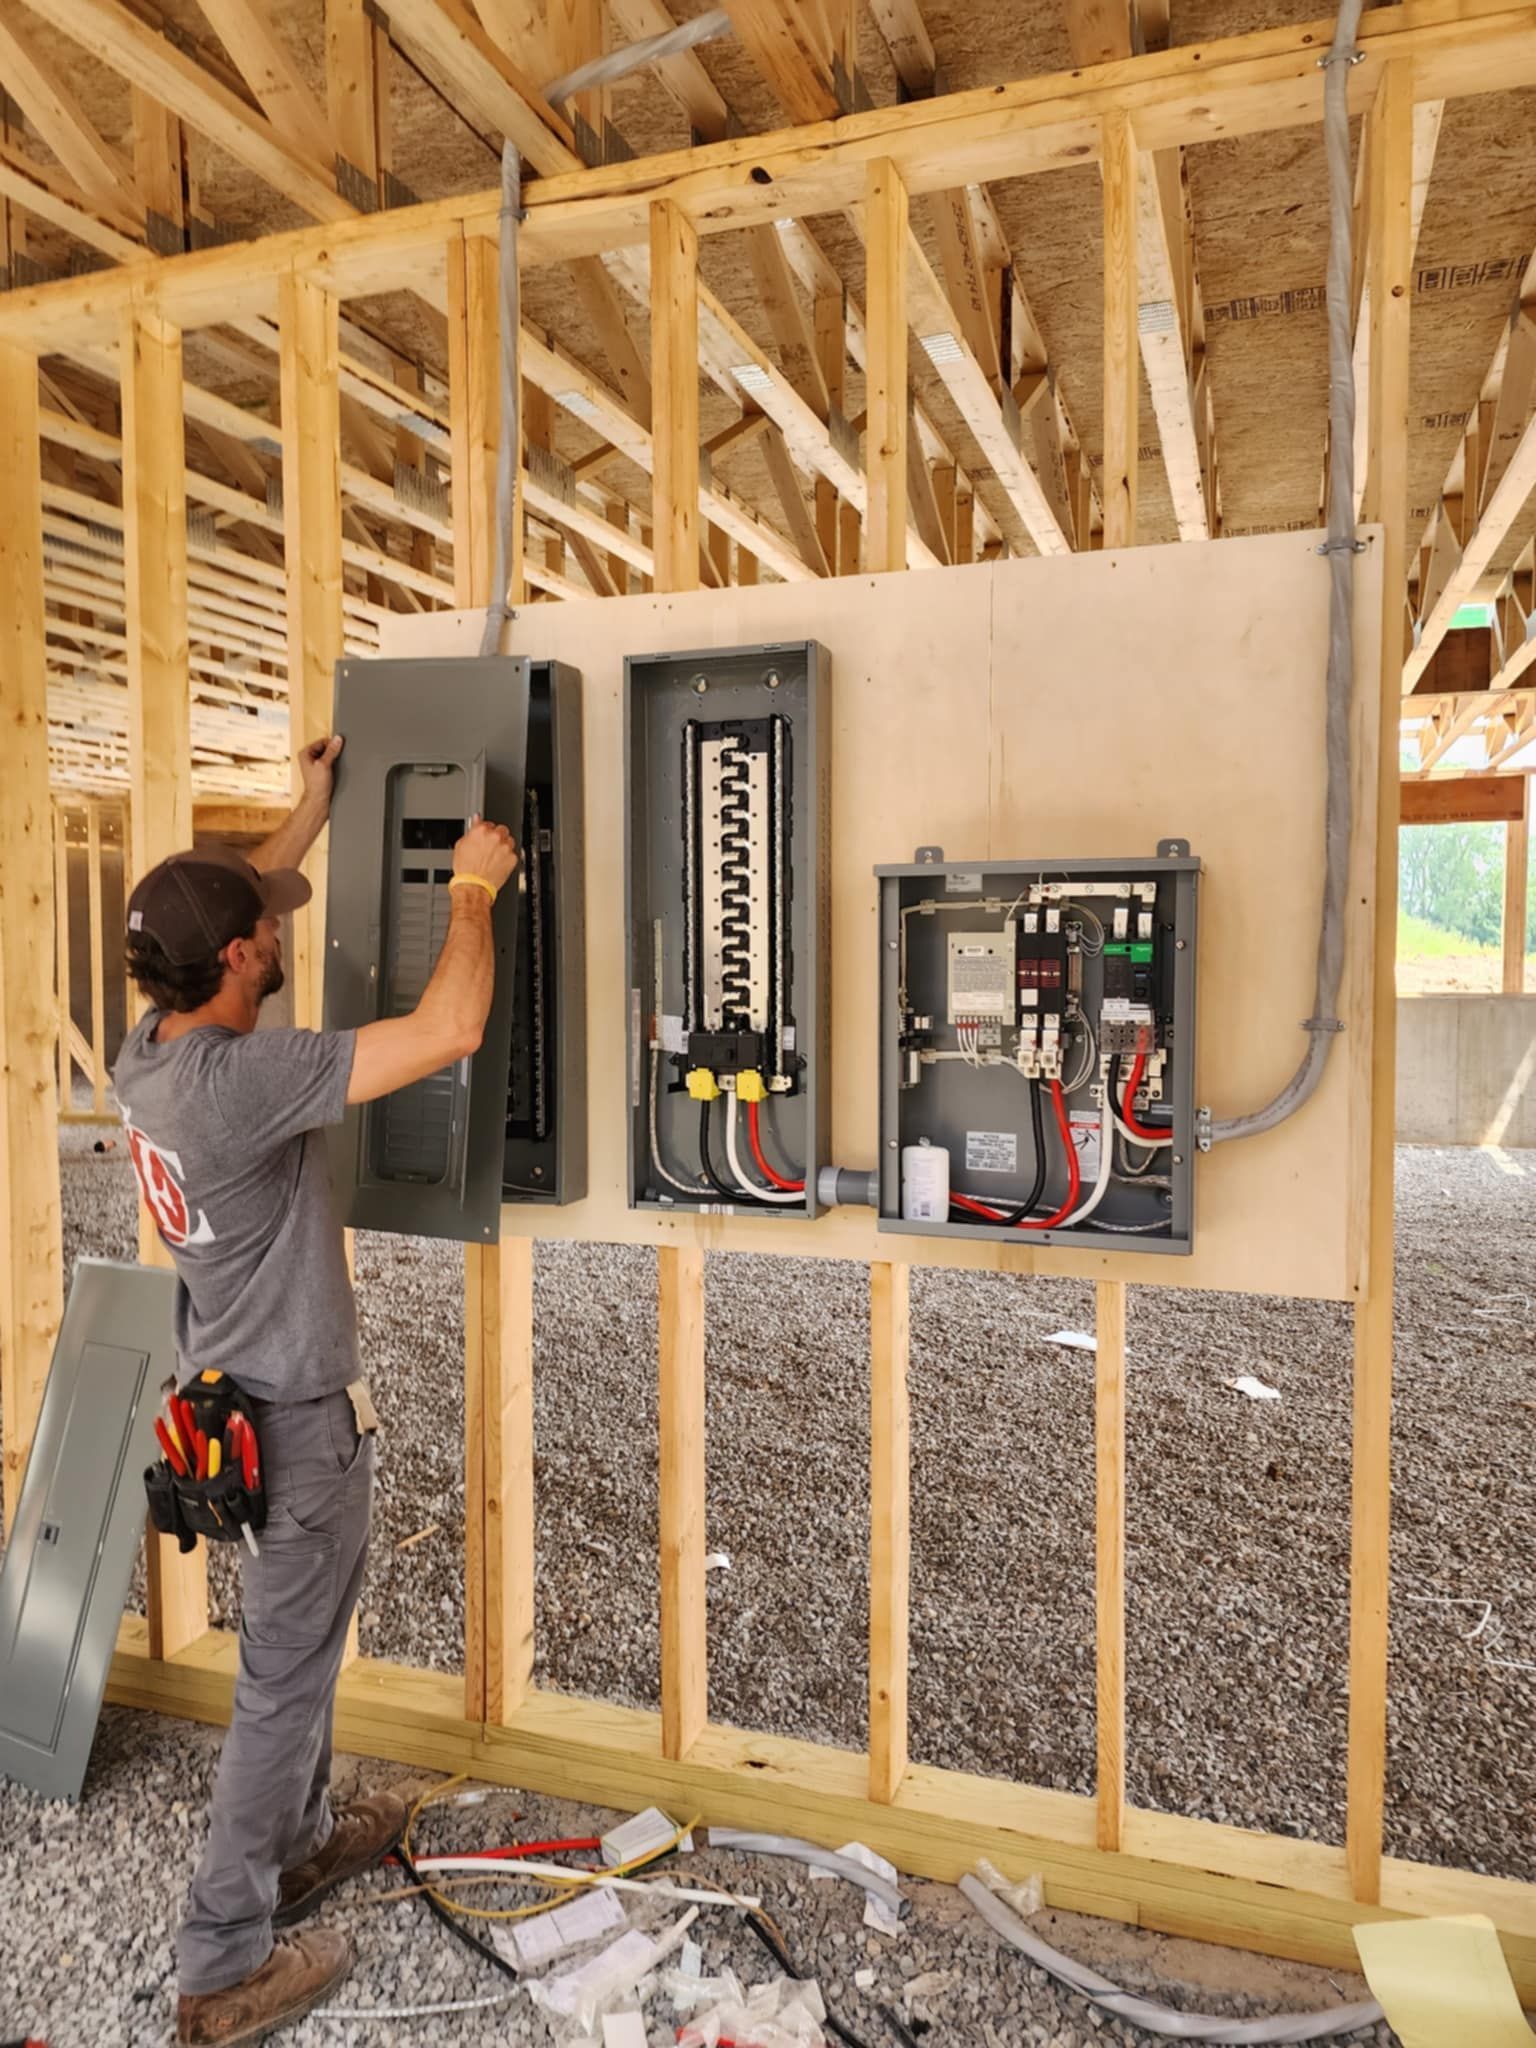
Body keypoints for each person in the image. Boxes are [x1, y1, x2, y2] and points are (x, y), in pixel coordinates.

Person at [112, 735, 519, 2047]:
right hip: (291, 1424)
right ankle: (220, 1966)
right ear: (235, 962)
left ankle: (295, 1848)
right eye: (264, 932)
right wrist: (472, 890)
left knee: (298, 1659)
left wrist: (306, 815)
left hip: (234, 1406)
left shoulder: (155, 1052)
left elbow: (232, 906)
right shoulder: (248, 1087)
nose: (281, 934)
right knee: (281, 1689)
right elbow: (451, 1027)